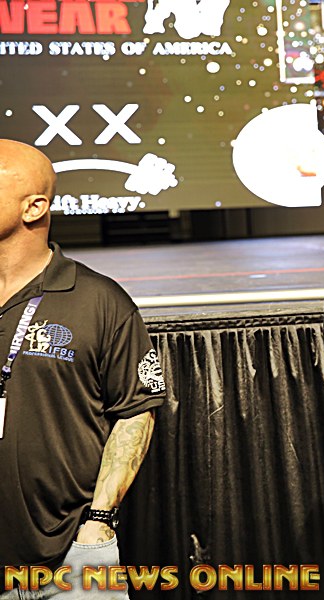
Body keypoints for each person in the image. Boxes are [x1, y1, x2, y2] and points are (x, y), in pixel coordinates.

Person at [0, 140, 166, 598]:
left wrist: (99, 521)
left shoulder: (98, 301)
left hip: (70, 562)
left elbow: (135, 412)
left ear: (34, 207)